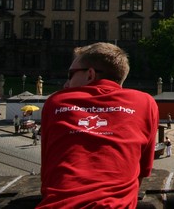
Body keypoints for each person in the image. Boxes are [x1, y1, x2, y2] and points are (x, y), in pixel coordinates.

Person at [37, 42, 159, 209]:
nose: (66, 83)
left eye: (70, 74)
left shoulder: (57, 101)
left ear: (90, 74)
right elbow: (143, 171)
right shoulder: (144, 102)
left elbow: (47, 174)